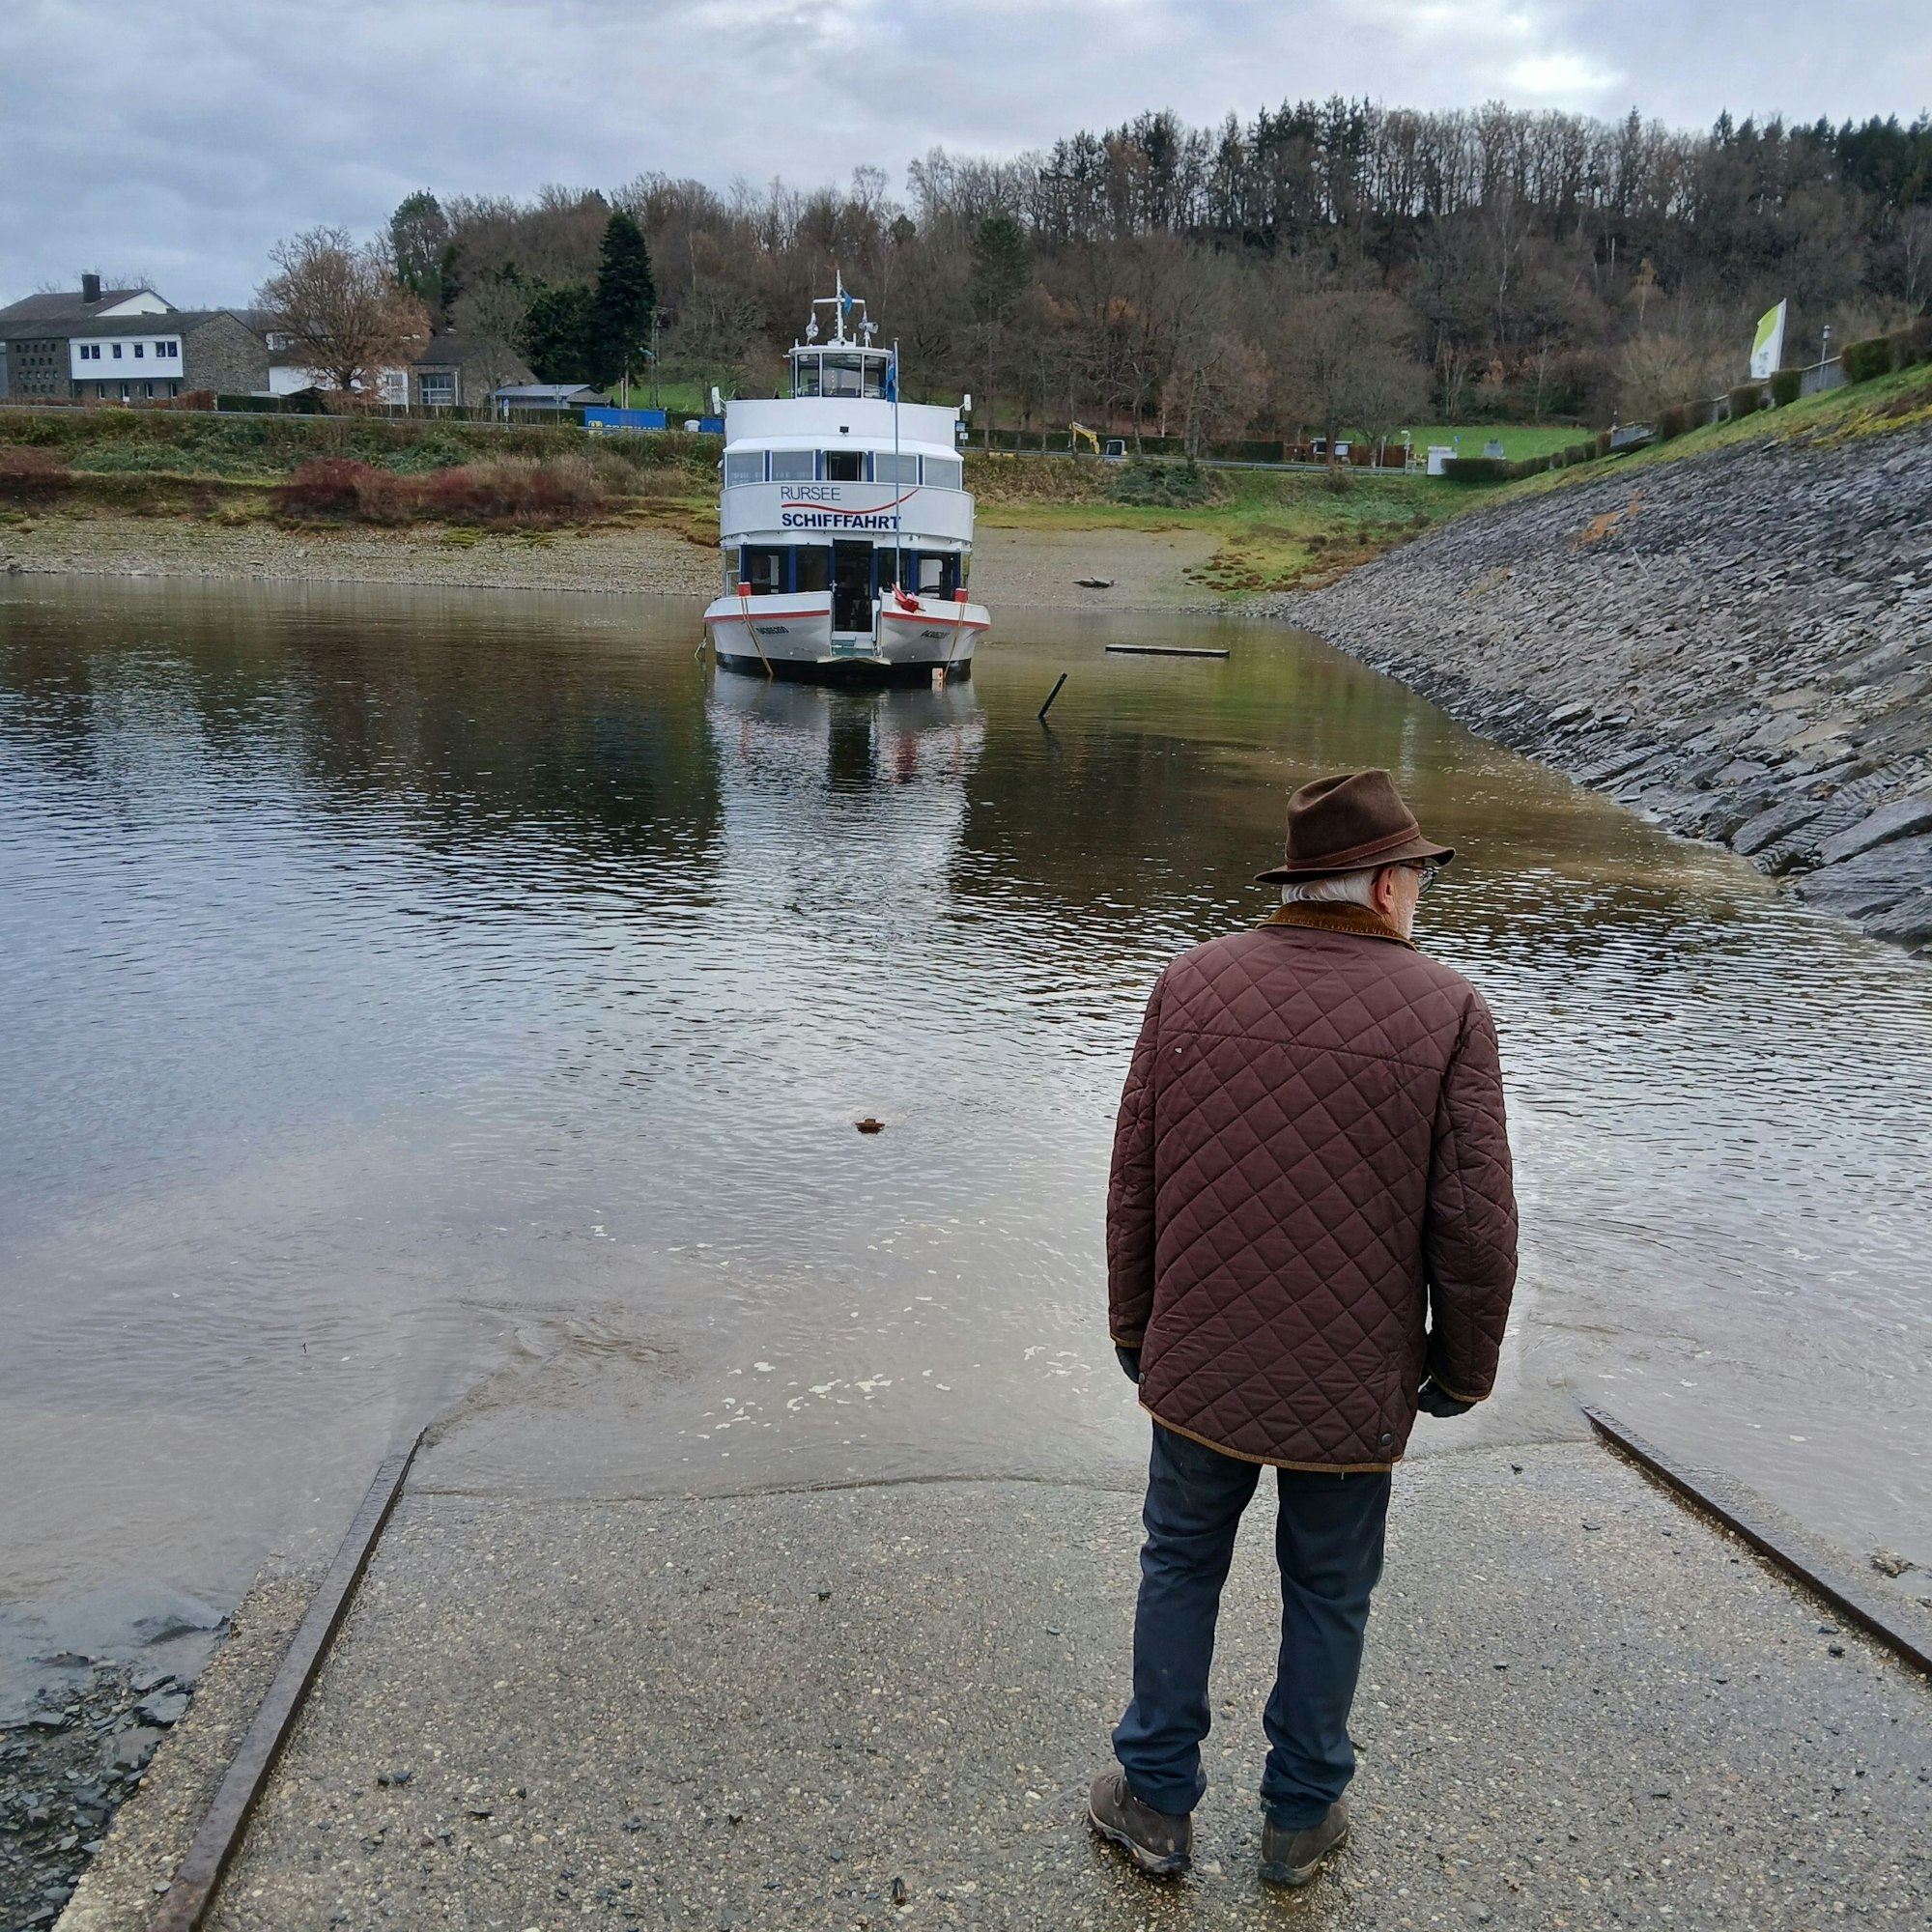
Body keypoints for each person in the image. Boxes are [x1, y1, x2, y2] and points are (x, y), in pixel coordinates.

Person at [1089, 768, 1519, 1889]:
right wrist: (1462, 1370)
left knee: (1179, 1559)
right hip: (1353, 1373)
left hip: (1200, 1357)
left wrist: (1134, 1324)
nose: (1420, 894)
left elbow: (1131, 1176)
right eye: (1417, 876)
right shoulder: (1448, 1010)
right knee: (1329, 1587)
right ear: (1382, 885)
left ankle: (1153, 1801)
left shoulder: (1188, 982)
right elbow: (1472, 1227)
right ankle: (1297, 1818)